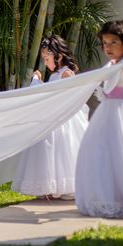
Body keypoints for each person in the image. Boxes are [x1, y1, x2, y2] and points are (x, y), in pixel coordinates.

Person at [12, 35, 87, 199]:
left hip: (64, 120)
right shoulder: (55, 75)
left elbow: (67, 98)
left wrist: (38, 82)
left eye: (47, 59)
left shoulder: (66, 74)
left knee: (62, 152)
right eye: (44, 59)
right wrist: (38, 81)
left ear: (59, 56)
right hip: (54, 116)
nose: (45, 63)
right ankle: (50, 186)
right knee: (48, 151)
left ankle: (67, 187)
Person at [75, 20, 123, 218]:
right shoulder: (110, 65)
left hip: (121, 113)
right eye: (105, 43)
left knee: (119, 152)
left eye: (113, 42)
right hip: (106, 114)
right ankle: (106, 196)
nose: (108, 47)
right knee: (100, 153)